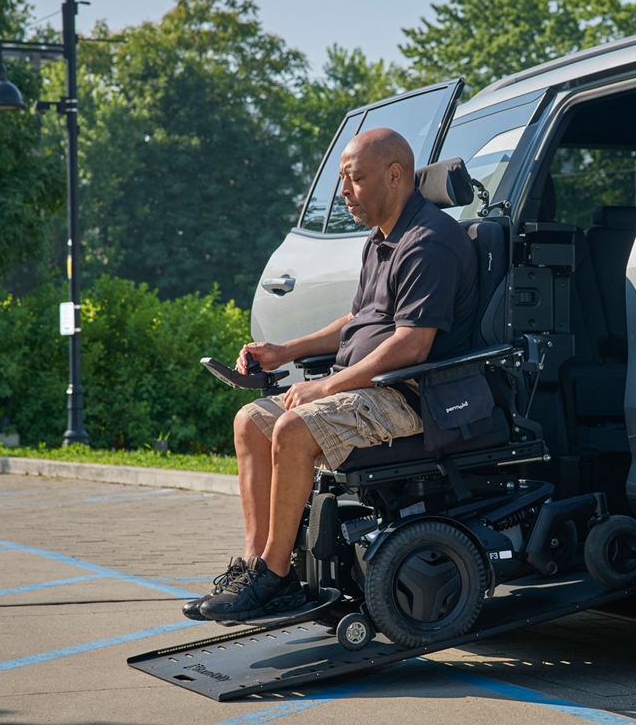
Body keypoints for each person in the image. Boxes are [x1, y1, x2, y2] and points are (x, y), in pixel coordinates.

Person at [184, 127, 478, 622]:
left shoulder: (430, 243)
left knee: (292, 428)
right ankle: (257, 567)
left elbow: (413, 343)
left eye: (354, 180)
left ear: (394, 175)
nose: (344, 193)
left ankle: (276, 581)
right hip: (366, 390)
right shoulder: (380, 241)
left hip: (410, 397)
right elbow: (358, 321)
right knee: (249, 422)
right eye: (343, 180)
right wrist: (284, 351)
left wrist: (324, 386)